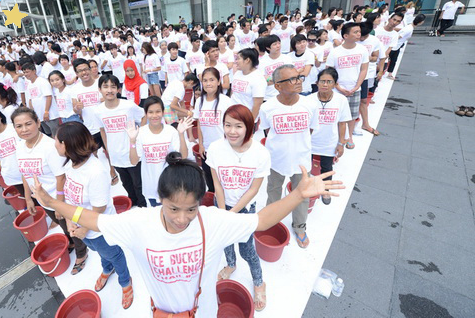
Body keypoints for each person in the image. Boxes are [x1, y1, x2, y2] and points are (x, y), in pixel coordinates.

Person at [31, 151, 343, 317]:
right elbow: (93, 219)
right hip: (161, 312)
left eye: (190, 209)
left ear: (200, 203)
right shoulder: (139, 222)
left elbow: (261, 221)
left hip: (205, 311)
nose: (182, 219)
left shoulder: (213, 221)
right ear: (160, 200)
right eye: (173, 209)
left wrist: (298, 195)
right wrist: (50, 202)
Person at [55, 122, 134, 309]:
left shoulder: (95, 171)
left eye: (57, 142)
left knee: (114, 254)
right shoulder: (70, 164)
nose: (55, 145)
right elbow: (69, 197)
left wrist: (84, 228)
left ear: (67, 144)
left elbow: (99, 208)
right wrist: (69, 220)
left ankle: (125, 281)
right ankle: (107, 269)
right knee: (100, 252)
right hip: (81, 227)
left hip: (97, 228)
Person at [207, 105, 269, 311]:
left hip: (244, 209)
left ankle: (259, 282)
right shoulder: (215, 148)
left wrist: (231, 215)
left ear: (249, 127)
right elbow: (217, 184)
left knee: (247, 249)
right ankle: (231, 265)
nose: (232, 131)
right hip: (223, 204)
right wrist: (223, 212)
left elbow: (254, 190)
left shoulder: (260, 153)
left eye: (238, 126)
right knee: (225, 241)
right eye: (227, 125)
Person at [12, 107, 89, 274]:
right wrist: (28, 198)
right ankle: (72, 243)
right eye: (19, 126)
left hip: (59, 197)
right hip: (43, 198)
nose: (24, 129)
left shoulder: (49, 147)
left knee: (71, 226)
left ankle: (82, 252)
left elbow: (61, 177)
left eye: (28, 124)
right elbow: (25, 174)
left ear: (38, 123)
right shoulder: (19, 147)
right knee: (62, 225)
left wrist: (60, 204)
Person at [259, 65, 318, 248]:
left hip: (302, 159)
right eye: (292, 79)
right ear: (277, 86)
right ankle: (271, 221)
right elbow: (268, 131)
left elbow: (310, 129)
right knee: (274, 191)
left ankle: (300, 227)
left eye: (299, 77)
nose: (298, 82)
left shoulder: (309, 104)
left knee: (302, 195)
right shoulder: (268, 107)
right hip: (276, 159)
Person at [127, 96, 192, 206]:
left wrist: (181, 134)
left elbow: (184, 156)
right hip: (151, 186)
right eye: (151, 112)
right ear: (146, 114)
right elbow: (133, 161)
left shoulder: (171, 131)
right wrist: (132, 141)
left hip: (171, 184)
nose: (154, 116)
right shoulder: (140, 133)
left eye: (158, 111)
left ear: (163, 112)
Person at [96, 74, 147, 208]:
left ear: (118, 89)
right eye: (105, 86)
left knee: (139, 182)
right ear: (100, 89)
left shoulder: (128, 106)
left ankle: (143, 205)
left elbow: (144, 116)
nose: (109, 90)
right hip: (115, 154)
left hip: (132, 152)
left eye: (113, 87)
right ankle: (133, 202)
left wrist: (138, 136)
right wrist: (108, 152)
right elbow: (103, 131)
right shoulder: (98, 111)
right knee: (126, 182)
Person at [308, 68, 351, 205]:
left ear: (334, 84)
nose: (325, 84)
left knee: (327, 168)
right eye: (322, 81)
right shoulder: (308, 100)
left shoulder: (341, 100)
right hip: (309, 142)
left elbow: (342, 123)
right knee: (305, 168)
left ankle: (325, 191)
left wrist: (341, 143)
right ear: (317, 82)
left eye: (329, 82)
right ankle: (306, 190)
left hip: (329, 143)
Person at [325, 23, 369, 149]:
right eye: (355, 32)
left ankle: (349, 136)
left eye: (359, 31)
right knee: (336, 116)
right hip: (337, 90)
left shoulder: (362, 50)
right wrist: (338, 87)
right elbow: (329, 72)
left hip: (354, 89)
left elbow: (363, 70)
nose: (359, 34)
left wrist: (356, 87)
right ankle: (337, 138)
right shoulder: (335, 52)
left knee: (352, 116)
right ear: (345, 35)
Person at [194, 68, 234, 192]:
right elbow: (200, 124)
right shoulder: (199, 101)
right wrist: (201, 144)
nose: (208, 83)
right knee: (210, 183)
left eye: (212, 80)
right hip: (207, 150)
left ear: (218, 82)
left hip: (224, 149)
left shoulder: (226, 101)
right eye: (205, 80)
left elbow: (233, 125)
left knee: (224, 183)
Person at [22, 62, 60, 137]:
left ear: (34, 71)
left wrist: (46, 111)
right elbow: (30, 100)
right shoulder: (29, 84)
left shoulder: (42, 81)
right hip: (40, 116)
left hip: (50, 115)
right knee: (48, 135)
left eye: (27, 72)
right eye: (24, 72)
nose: (26, 74)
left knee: (56, 134)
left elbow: (49, 96)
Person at [231, 48, 267, 123]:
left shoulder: (257, 78)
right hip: (233, 115)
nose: (236, 61)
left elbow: (257, 104)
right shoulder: (237, 73)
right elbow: (233, 93)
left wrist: (250, 122)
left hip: (246, 118)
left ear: (247, 60)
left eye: (238, 59)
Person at [257, 35, 292, 101]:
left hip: (284, 95)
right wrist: (279, 79)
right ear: (268, 48)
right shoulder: (262, 62)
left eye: (279, 43)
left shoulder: (287, 59)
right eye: (274, 44)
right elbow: (262, 80)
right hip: (268, 97)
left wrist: (271, 79)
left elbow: (289, 76)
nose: (278, 46)